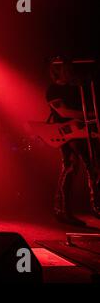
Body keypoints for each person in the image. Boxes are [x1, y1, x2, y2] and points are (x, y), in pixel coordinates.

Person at [46, 58, 100, 226]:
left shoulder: (77, 89)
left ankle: (95, 206)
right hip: (65, 132)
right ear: (59, 71)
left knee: (92, 165)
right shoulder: (53, 89)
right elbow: (64, 111)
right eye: (66, 68)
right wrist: (90, 114)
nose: (70, 71)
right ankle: (63, 210)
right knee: (71, 166)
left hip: (82, 131)